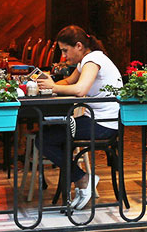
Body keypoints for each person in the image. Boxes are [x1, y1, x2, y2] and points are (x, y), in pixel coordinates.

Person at [36, 26, 122, 210]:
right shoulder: (87, 60)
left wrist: (52, 88)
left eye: (65, 50)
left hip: (103, 124)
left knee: (44, 139)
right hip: (97, 120)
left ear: (79, 45)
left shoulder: (93, 60)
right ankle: (79, 181)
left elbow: (80, 90)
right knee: (49, 135)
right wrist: (46, 86)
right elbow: (68, 82)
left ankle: (83, 180)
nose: (64, 56)